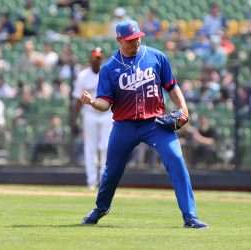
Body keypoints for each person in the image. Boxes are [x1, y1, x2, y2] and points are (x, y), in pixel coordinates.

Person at [79, 20, 208, 229]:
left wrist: (184, 108)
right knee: (111, 171)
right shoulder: (109, 68)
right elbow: (105, 103)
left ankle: (190, 216)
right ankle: (101, 208)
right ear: (119, 40)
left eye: (138, 37)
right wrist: (92, 102)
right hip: (124, 126)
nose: (136, 42)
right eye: (130, 40)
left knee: (176, 159)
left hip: (155, 123)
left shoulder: (156, 57)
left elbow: (172, 86)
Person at [72, 47, 113, 190]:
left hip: (107, 113)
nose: (97, 60)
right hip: (89, 114)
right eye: (95, 57)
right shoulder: (83, 76)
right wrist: (74, 120)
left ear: (102, 59)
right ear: (90, 59)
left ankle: (103, 181)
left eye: (99, 58)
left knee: (105, 147)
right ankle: (91, 181)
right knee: (90, 148)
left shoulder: (107, 73)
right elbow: (77, 99)